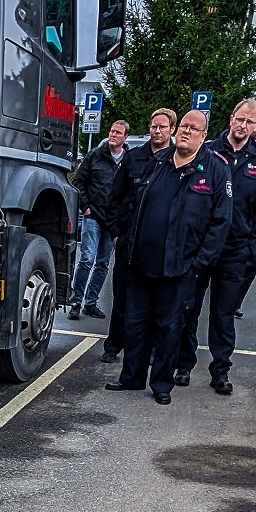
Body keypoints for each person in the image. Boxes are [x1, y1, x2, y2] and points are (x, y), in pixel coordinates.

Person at [105, 109, 230, 403]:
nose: (186, 131)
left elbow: (220, 223)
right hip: (140, 262)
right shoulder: (157, 162)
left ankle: (161, 385)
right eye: (184, 126)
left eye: (193, 128)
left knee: (169, 329)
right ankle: (132, 378)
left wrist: (199, 265)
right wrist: (122, 240)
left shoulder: (214, 169)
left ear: (204, 136)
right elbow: (131, 203)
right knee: (135, 324)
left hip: (180, 269)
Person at [178, 97, 256, 394]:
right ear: (231, 118)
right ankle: (183, 364)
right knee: (188, 308)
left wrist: (252, 246)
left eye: (250, 122)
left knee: (224, 314)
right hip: (202, 245)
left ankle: (220, 370)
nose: (243, 125)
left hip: (235, 249)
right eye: (239, 119)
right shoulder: (207, 151)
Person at [100, 107, 176, 364]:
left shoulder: (176, 160)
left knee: (155, 303)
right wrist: (116, 234)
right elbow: (115, 199)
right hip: (128, 243)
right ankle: (113, 346)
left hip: (157, 245)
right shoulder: (133, 159)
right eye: (154, 126)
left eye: (163, 127)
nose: (157, 131)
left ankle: (152, 350)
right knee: (121, 298)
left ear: (171, 130)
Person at [68, 117, 130, 319]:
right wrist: (85, 208)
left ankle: (91, 303)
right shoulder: (95, 155)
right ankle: (76, 302)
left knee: (103, 263)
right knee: (87, 258)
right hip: (93, 216)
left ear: (125, 137)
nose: (113, 135)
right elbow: (79, 181)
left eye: (118, 133)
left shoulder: (129, 160)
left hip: (113, 221)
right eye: (112, 131)